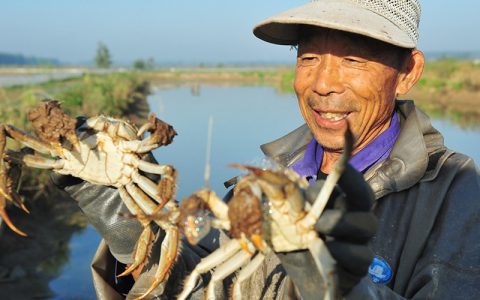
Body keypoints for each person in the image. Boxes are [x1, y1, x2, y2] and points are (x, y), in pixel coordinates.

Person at [53, 0, 480, 299]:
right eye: (309, 58)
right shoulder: (262, 179)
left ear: (407, 72)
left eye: (353, 60)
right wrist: (121, 214)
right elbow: (198, 288)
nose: (323, 83)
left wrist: (334, 286)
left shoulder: (458, 197)